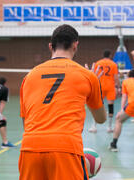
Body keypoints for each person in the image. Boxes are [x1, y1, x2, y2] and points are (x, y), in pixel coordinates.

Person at [19, 24, 106, 180]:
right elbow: (101, 119)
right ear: (75, 45)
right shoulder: (87, 76)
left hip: (30, 148)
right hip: (66, 148)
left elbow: (26, 123)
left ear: (50, 46)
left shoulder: (29, 77)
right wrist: (94, 87)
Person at [88, 50, 120, 133]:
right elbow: (116, 77)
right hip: (110, 87)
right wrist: (118, 87)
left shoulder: (98, 63)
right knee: (110, 107)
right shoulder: (113, 64)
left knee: (96, 106)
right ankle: (109, 127)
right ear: (110, 55)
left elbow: (94, 75)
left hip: (100, 87)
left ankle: (93, 127)